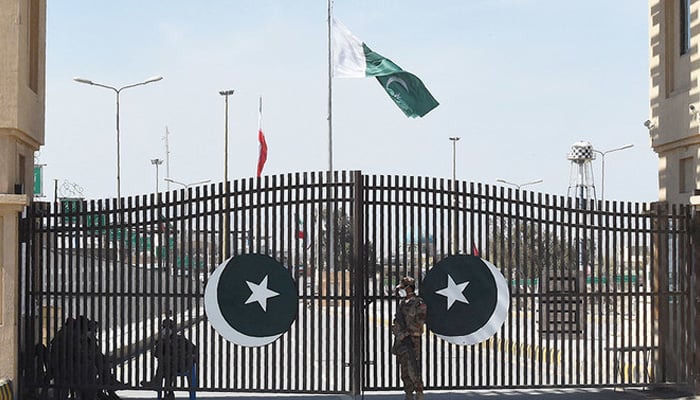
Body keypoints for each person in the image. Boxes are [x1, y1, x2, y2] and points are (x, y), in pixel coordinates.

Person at [142, 318, 197, 400]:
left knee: (166, 363)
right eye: (164, 328)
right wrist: (160, 343)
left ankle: (158, 384)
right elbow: (156, 355)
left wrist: (188, 357)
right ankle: (168, 393)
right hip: (169, 367)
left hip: (182, 365)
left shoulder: (181, 339)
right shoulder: (162, 341)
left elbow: (194, 349)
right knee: (166, 364)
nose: (165, 330)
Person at [391, 276, 427, 400]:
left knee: (414, 370)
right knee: (404, 371)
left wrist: (406, 333)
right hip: (401, 341)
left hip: (412, 341)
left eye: (402, 288)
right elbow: (397, 321)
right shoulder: (402, 303)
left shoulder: (419, 303)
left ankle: (419, 394)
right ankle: (408, 395)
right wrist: (396, 330)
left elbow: (419, 322)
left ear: (408, 288)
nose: (401, 290)